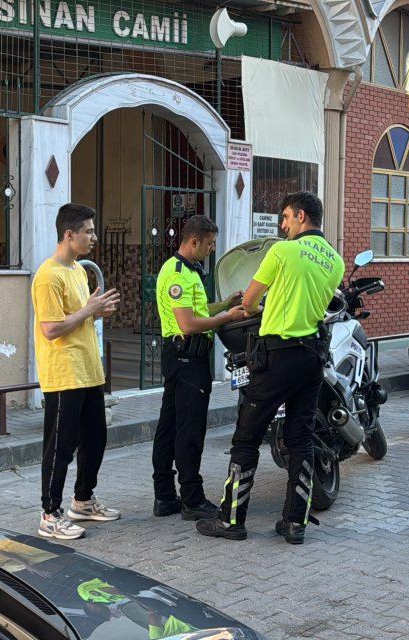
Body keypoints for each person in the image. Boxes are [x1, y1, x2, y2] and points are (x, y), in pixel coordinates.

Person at [196, 191, 344, 545]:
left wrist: (257, 306)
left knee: (247, 437)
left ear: (301, 216)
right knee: (301, 439)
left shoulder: (282, 250)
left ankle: (231, 520)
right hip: (310, 358)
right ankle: (295, 523)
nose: (283, 225)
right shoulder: (336, 261)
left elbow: (248, 301)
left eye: (286, 218)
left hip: (276, 355)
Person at [31, 203, 123, 540]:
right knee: (60, 446)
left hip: (88, 371)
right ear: (69, 235)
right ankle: (49, 513)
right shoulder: (48, 276)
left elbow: (77, 318)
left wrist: (96, 312)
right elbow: (51, 329)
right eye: (88, 231)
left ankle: (82, 501)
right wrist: (88, 309)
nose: (94, 237)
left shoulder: (76, 271)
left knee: (95, 440)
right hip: (64, 373)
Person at [153, 215, 246, 520]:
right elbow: (188, 323)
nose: (211, 249)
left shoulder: (188, 270)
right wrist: (228, 318)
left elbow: (200, 310)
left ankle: (165, 497)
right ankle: (192, 499)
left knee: (169, 428)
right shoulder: (178, 273)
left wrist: (224, 304)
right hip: (187, 358)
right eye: (209, 243)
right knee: (189, 430)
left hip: (181, 357)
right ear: (194, 241)